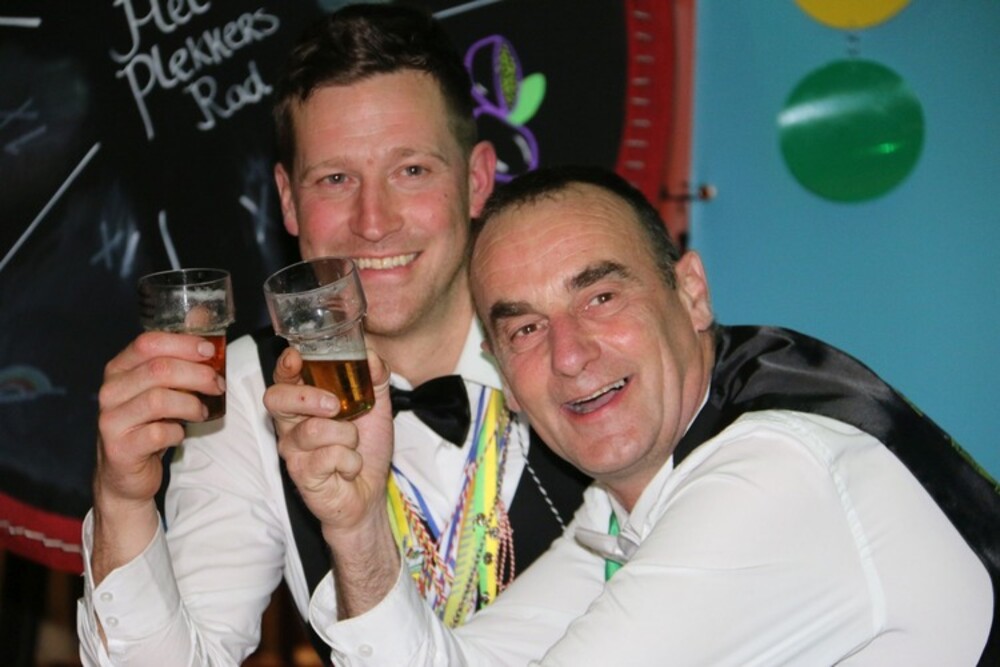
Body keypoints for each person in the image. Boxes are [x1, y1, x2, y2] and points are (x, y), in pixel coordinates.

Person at [266, 165, 998, 665]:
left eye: (601, 297)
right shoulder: (625, 503)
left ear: (691, 294)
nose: (570, 355)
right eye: (526, 329)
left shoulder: (775, 475)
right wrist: (358, 529)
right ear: (502, 377)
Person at [76, 6, 589, 665]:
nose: (373, 222)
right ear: (288, 201)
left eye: (412, 170)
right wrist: (121, 501)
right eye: (336, 179)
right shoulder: (244, 390)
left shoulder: (579, 345)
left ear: (477, 179)